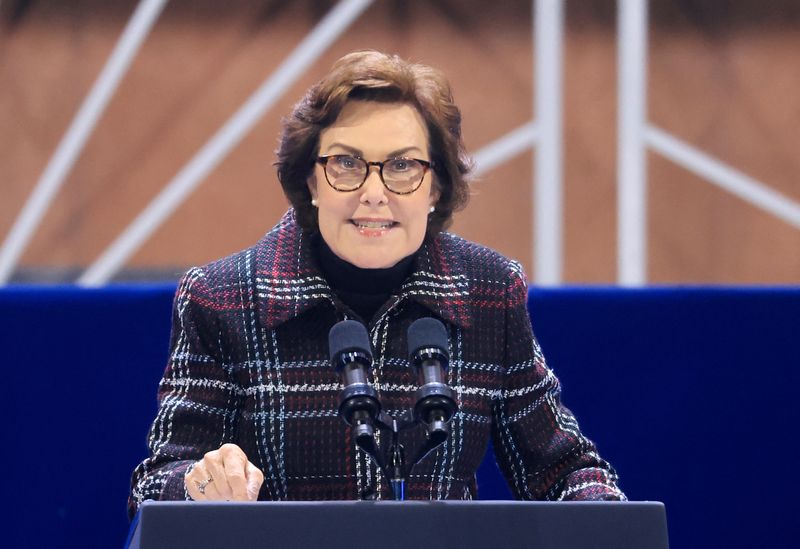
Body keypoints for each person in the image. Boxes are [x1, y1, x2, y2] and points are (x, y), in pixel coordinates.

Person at [128, 50, 625, 517]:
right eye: (346, 164)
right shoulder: (222, 300)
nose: (373, 194)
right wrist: (197, 483)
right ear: (310, 180)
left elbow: (561, 468)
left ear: (436, 187)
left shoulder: (488, 292)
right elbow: (152, 489)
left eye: (402, 166)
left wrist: (607, 516)